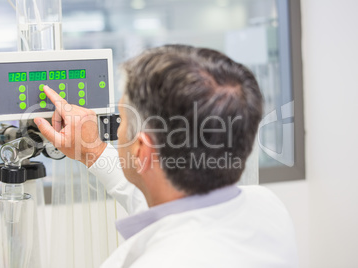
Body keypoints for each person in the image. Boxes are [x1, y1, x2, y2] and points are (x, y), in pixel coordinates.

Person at [34, 45, 298, 267]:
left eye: (122, 119)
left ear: (140, 149)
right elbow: (172, 204)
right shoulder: (268, 208)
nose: (117, 130)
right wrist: (93, 150)